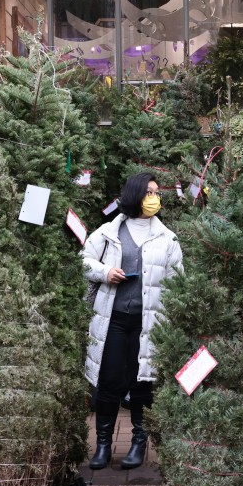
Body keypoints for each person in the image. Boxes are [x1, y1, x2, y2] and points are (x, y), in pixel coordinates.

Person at [82, 173, 183, 470]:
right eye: (149, 192)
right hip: (112, 320)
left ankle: (139, 443)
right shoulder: (108, 232)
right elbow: (83, 260)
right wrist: (105, 272)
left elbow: (178, 281)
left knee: (142, 383)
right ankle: (103, 446)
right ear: (135, 194)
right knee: (109, 381)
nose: (155, 198)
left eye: (157, 193)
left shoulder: (167, 238)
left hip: (148, 323)